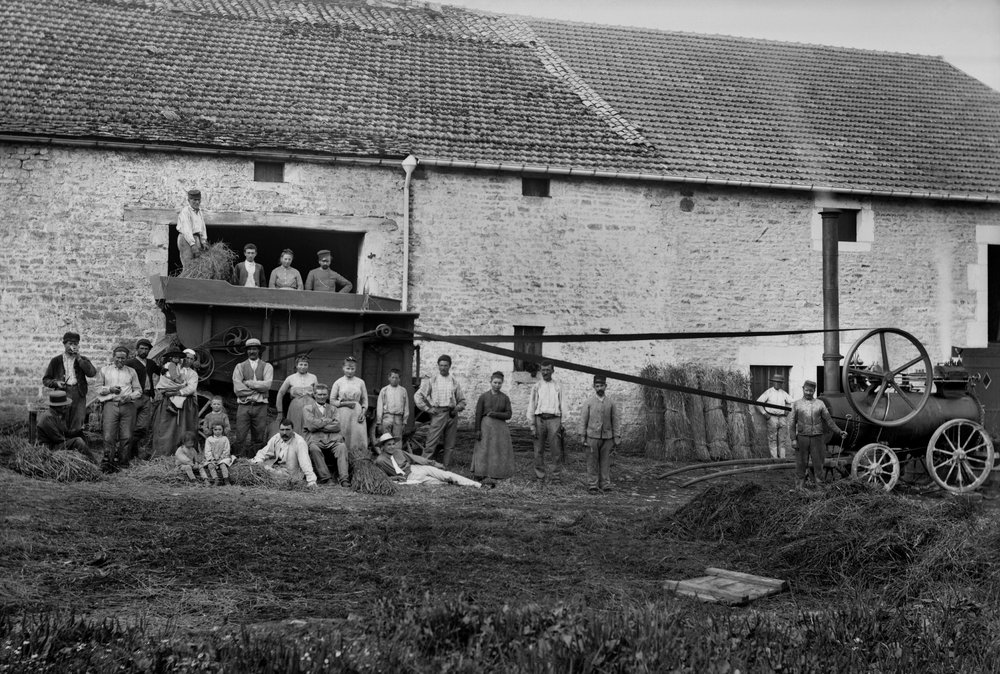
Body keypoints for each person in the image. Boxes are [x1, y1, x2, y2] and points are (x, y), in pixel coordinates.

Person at [789, 380, 848, 489]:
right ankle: (799, 490)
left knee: (818, 466)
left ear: (814, 391)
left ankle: (820, 491)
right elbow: (792, 422)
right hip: (802, 438)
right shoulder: (797, 404)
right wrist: (793, 439)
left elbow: (829, 421)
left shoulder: (820, 404)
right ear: (803, 389)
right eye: (806, 390)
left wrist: (839, 431)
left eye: (811, 391)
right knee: (801, 465)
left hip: (818, 439)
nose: (808, 393)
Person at [373, 433, 484, 488]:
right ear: (382, 446)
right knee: (440, 483)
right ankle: (463, 484)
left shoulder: (398, 452)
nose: (392, 447)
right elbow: (380, 476)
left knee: (445, 474)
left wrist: (434, 463)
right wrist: (394, 478)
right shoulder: (380, 460)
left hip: (415, 468)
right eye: (388, 445)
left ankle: (477, 485)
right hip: (410, 477)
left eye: (393, 444)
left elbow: (416, 458)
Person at [95, 346, 142, 472]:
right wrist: (110, 389)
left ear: (127, 358)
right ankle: (108, 463)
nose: (120, 360)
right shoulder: (105, 370)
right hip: (110, 404)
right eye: (118, 357)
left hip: (128, 406)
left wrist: (129, 397)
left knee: (126, 436)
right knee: (109, 435)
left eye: (123, 358)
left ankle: (123, 463)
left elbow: (138, 391)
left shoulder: (131, 371)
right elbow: (97, 388)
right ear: (113, 356)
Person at [414, 354, 466, 466]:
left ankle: (446, 468)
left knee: (450, 444)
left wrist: (457, 408)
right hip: (438, 413)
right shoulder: (432, 380)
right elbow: (418, 396)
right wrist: (428, 409)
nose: (443, 368)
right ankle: (423, 467)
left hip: (452, 414)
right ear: (438, 366)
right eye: (441, 365)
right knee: (431, 442)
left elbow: (462, 401)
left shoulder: (454, 381)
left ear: (450, 366)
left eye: (445, 365)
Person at [42, 331, 97, 434]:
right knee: (62, 420)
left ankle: (75, 443)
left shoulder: (82, 359)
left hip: (78, 393)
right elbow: (46, 380)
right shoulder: (56, 361)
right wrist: (56, 383)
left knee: (78, 421)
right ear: (64, 344)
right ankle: (63, 444)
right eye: (70, 343)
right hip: (62, 394)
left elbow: (92, 373)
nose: (73, 346)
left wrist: (79, 358)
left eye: (75, 344)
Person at [150, 350, 200, 458]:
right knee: (165, 427)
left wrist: (178, 392)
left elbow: (191, 388)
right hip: (168, 401)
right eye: (187, 357)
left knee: (182, 427)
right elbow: (165, 379)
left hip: (185, 403)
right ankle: (163, 454)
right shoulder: (173, 367)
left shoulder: (193, 374)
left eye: (192, 359)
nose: (188, 360)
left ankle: (183, 454)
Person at [302, 384, 349, 487]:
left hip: (333, 439)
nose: (322, 397)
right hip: (315, 440)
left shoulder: (333, 409)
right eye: (319, 394)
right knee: (314, 449)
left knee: (342, 447)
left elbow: (337, 426)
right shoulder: (308, 408)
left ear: (327, 395)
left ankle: (344, 479)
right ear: (314, 395)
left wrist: (318, 424)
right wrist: (327, 421)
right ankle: (326, 478)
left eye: (324, 394)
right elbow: (311, 426)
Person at [470, 371, 515, 481]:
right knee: (483, 450)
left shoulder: (505, 398)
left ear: (502, 383)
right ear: (490, 382)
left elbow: (509, 414)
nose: (497, 385)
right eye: (495, 382)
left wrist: (496, 414)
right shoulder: (483, 397)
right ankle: (481, 473)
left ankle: (497, 473)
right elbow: (478, 414)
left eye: (499, 383)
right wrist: (477, 430)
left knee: (498, 450)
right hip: (486, 428)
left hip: (500, 429)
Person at [232, 337, 273, 457]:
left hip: (261, 406)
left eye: (254, 349)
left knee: (259, 435)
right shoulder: (240, 366)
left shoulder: (267, 366)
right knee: (240, 434)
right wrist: (257, 390)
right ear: (246, 351)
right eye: (249, 349)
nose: (252, 352)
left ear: (259, 351)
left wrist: (248, 383)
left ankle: (256, 459)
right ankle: (239, 459)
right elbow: (238, 389)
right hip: (244, 406)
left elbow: (267, 385)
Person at [526, 361, 566, 481]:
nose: (545, 372)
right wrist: (532, 425)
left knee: (556, 450)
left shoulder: (558, 386)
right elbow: (531, 405)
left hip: (554, 419)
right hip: (540, 419)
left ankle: (556, 476)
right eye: (543, 370)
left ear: (552, 371)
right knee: (538, 449)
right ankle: (540, 476)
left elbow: (563, 404)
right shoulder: (537, 386)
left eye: (548, 370)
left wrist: (562, 423)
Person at [580, 375, 621, 493]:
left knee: (605, 461)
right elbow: (583, 420)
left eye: (602, 386)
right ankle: (592, 484)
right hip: (592, 437)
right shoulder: (588, 402)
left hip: (607, 437)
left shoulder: (611, 403)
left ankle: (605, 483)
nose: (599, 388)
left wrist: (616, 436)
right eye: (597, 386)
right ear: (594, 387)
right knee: (592, 461)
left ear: (606, 386)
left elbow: (615, 420)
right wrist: (582, 435)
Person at [251, 418, 318, 486]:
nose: (284, 433)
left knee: (269, 473)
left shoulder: (299, 442)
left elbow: (305, 462)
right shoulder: (277, 437)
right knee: (259, 467)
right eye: (282, 430)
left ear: (292, 430)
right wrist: (257, 461)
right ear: (279, 430)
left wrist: (311, 480)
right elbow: (264, 452)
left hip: (290, 473)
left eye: (287, 430)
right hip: (276, 468)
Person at [35, 390, 97, 463]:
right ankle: (94, 463)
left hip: (56, 444)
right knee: (78, 441)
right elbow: (58, 439)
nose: (66, 407)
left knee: (80, 436)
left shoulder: (56, 415)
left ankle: (88, 462)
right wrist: (73, 440)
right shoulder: (48, 417)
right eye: (62, 405)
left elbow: (64, 432)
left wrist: (77, 432)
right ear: (55, 406)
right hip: (49, 449)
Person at [126, 338, 157, 460]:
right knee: (130, 425)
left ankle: (137, 452)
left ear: (149, 350)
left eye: (146, 349)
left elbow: (162, 371)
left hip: (147, 396)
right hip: (135, 397)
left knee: (142, 427)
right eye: (142, 348)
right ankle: (127, 453)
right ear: (137, 349)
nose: (144, 351)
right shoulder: (130, 363)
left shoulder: (150, 363)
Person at [330, 356, 369, 453]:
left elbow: (365, 400)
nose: (350, 371)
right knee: (344, 434)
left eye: (352, 369)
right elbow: (332, 400)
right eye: (348, 368)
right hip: (343, 413)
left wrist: (363, 413)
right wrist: (344, 403)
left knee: (358, 435)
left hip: (357, 412)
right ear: (343, 368)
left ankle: (358, 460)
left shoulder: (360, 382)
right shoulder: (338, 382)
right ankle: (343, 457)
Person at [276, 355, 318, 435]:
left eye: (305, 365)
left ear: (308, 366)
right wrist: (280, 411)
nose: (303, 367)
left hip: (310, 407)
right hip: (295, 407)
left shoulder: (313, 377)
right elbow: (280, 393)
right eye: (301, 364)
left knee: (310, 428)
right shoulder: (290, 378)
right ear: (296, 365)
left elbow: (317, 394)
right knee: (295, 427)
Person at [756, 374, 793, 459]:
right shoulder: (768, 392)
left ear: (781, 384)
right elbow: (758, 403)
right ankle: (774, 458)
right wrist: (764, 413)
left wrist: (787, 409)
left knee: (782, 439)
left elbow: (791, 402)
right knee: (772, 439)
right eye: (776, 382)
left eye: (779, 382)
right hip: (772, 417)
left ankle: (782, 458)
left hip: (782, 417)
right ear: (773, 383)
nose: (777, 384)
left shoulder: (783, 393)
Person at [176, 188, 207, 269]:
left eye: (199, 200)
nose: (197, 202)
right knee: (188, 264)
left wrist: (204, 241)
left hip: (196, 238)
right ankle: (186, 279)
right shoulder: (185, 212)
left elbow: (202, 228)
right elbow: (186, 230)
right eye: (194, 200)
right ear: (188, 200)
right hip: (186, 239)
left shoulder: (199, 212)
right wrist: (193, 245)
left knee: (197, 265)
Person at [376, 368, 409, 442]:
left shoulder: (403, 391)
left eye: (396, 378)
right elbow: (379, 406)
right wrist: (379, 422)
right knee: (386, 439)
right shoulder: (384, 390)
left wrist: (404, 422)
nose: (394, 379)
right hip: (387, 417)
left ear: (399, 379)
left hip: (398, 418)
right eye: (392, 377)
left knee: (397, 440)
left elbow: (406, 407)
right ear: (389, 378)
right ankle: (386, 453)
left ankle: (397, 453)